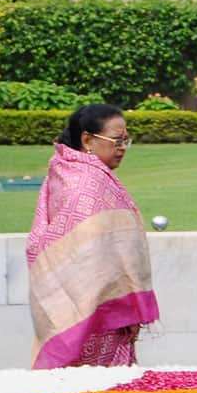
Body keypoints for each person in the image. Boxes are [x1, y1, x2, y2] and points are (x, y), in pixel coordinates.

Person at [27, 104, 159, 368]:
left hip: (82, 309)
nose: (122, 147)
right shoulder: (86, 182)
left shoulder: (67, 169)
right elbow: (94, 255)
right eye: (116, 140)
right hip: (94, 316)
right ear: (87, 139)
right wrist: (123, 309)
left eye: (125, 140)